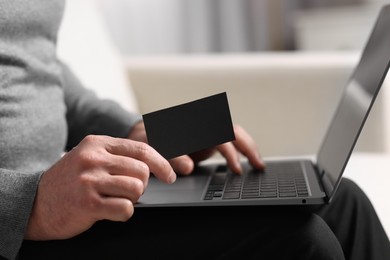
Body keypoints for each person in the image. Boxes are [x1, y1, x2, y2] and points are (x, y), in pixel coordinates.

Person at [0, 1, 389, 259]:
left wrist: (138, 133)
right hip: (20, 229)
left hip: (61, 197)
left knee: (343, 201)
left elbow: (39, 67)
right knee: (301, 241)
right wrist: (31, 203)